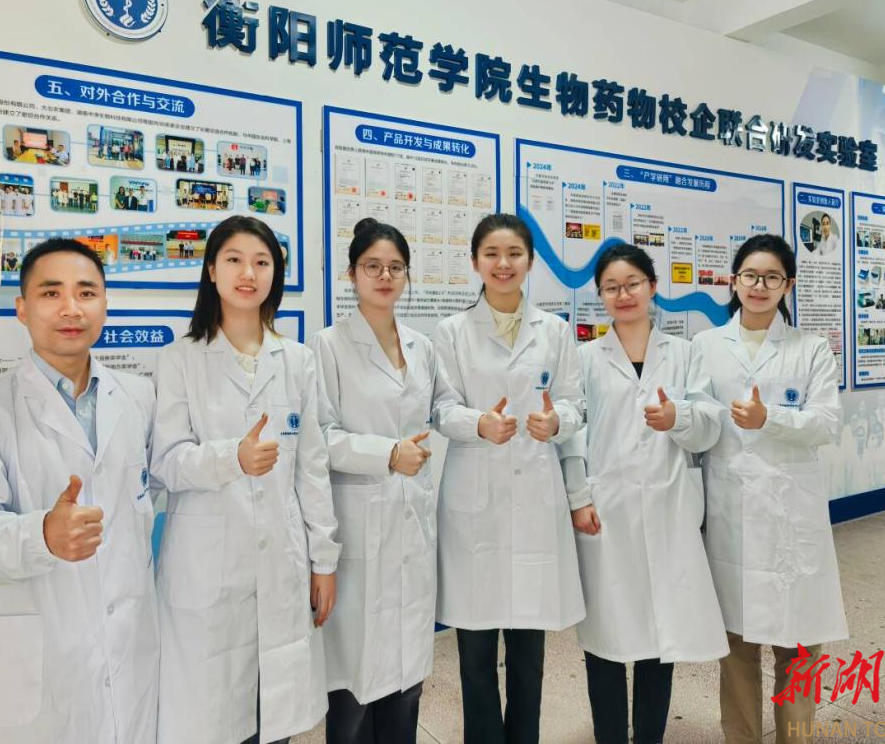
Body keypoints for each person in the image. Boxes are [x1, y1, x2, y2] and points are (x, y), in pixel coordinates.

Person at [0, 238, 159, 743]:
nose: (71, 308)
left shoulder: (139, 397)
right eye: (51, 293)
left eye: (86, 292)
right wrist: (42, 536)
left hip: (129, 652)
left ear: (105, 304)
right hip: (32, 666)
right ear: (22, 308)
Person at [154, 215, 340, 744]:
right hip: (207, 568)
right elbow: (166, 463)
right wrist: (231, 457)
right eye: (234, 259)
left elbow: (312, 469)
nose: (248, 273)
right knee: (215, 720)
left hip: (282, 561)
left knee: (274, 717)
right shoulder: (179, 360)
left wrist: (323, 562)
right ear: (212, 270)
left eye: (262, 262)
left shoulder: (297, 361)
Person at [560, 243, 727, 744]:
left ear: (652, 287)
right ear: (600, 296)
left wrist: (679, 418)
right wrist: (578, 497)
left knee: (661, 636)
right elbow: (572, 434)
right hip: (606, 513)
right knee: (606, 640)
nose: (623, 294)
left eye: (633, 283)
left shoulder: (685, 353)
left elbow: (710, 427)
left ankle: (650, 736)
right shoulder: (585, 357)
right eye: (611, 287)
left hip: (667, 506)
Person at [433, 212, 584, 744]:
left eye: (514, 253)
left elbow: (575, 402)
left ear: (529, 261)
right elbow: (441, 408)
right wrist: (479, 423)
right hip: (474, 504)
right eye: (492, 254)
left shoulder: (555, 331)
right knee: (475, 656)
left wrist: (557, 421)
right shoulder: (451, 332)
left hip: (534, 501)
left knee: (528, 654)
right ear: (475, 261)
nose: (504, 263)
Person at [692, 234, 847, 744]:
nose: (759, 286)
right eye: (750, 276)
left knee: (799, 648)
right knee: (736, 648)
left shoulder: (811, 348)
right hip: (731, 513)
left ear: (788, 284)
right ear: (733, 281)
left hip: (790, 515)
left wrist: (770, 419)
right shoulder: (706, 346)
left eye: (772, 277)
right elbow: (699, 423)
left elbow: (827, 423)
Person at [312, 218, 437, 744]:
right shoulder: (328, 345)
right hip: (359, 524)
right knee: (355, 688)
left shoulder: (422, 346)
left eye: (395, 267)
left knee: (406, 685)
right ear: (351, 274)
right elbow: (320, 437)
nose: (385, 276)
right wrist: (387, 453)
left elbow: (440, 412)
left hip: (412, 519)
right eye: (372, 267)